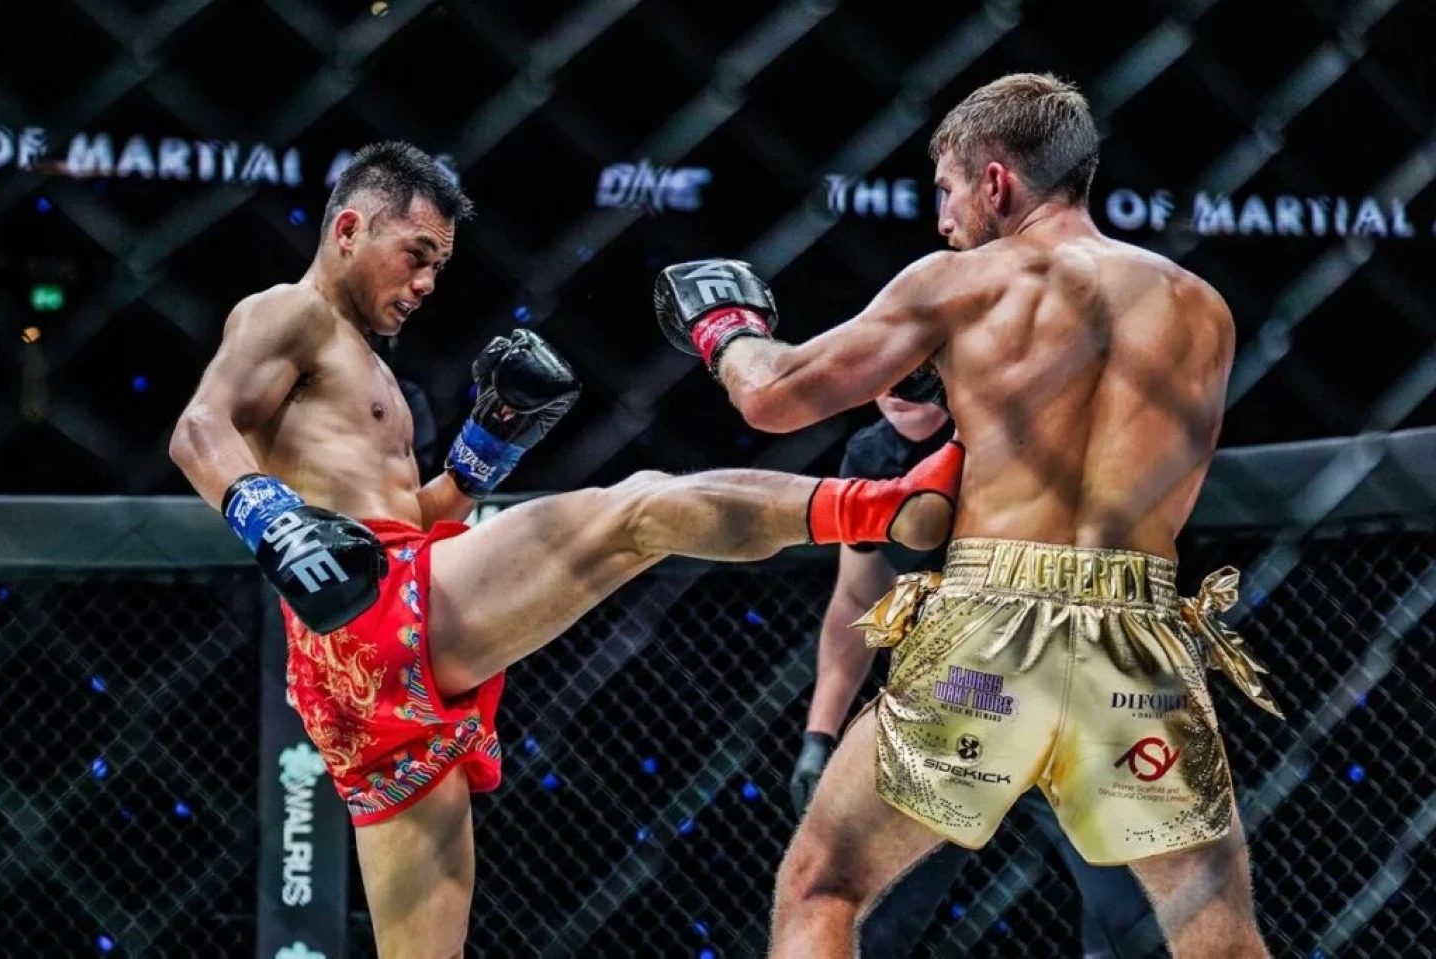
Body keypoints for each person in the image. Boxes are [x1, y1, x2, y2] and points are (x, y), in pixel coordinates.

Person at [168, 141, 964, 959]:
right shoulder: (288, 311)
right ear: (347, 229)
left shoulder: (363, 367)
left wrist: (481, 455)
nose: (427, 282)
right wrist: (273, 520)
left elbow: (409, 515)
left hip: (350, 664)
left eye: (439, 265)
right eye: (417, 254)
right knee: (639, 509)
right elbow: (199, 427)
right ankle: (888, 506)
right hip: (379, 610)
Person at [655, 74, 1285, 958]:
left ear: (996, 182)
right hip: (1140, 632)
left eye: (947, 189)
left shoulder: (964, 282)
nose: (942, 218)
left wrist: (726, 328)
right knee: (1212, 927)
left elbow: (774, 395)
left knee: (824, 887)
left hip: (994, 624)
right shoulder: (1199, 306)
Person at [792, 393, 1161, 958]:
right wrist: (819, 733)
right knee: (865, 916)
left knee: (1134, 923)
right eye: (884, 373)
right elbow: (857, 599)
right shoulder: (874, 456)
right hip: (952, 712)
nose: (896, 386)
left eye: (913, 369)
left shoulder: (1031, 426)